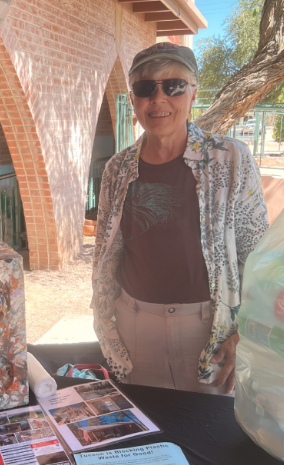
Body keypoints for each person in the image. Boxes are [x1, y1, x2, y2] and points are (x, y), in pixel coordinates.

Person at [92, 42, 269, 395]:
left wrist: (245, 332)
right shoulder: (117, 169)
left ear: (192, 94)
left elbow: (259, 254)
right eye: (145, 88)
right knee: (147, 434)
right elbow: (106, 253)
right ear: (133, 98)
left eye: (173, 86)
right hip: (135, 328)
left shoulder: (230, 159)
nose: (158, 99)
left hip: (210, 330)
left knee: (209, 436)